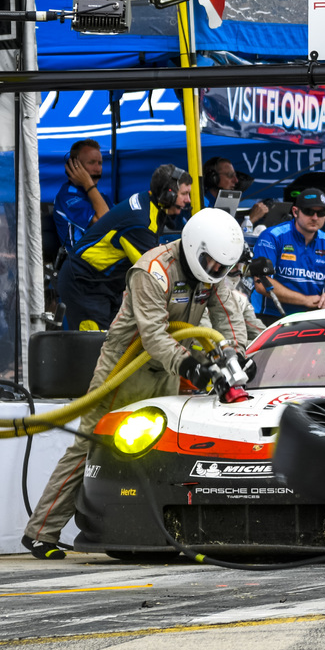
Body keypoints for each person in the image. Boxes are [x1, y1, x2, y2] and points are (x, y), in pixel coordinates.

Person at [22, 208, 248, 559]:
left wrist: (236, 355)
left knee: (162, 451)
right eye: (211, 263)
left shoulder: (213, 273)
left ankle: (153, 531)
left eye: (222, 267)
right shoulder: (152, 270)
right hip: (124, 367)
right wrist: (190, 366)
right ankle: (41, 532)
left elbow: (228, 320)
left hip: (168, 368)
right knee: (91, 446)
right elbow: (153, 334)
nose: (215, 270)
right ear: (194, 246)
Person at [57, 164, 191, 331]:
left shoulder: (151, 204)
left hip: (107, 285)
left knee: (119, 340)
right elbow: (153, 272)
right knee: (94, 344)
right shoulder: (141, 222)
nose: (188, 200)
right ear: (167, 194)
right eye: (184, 194)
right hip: (84, 284)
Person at [249, 188, 325, 323]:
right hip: (269, 316)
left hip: (308, 318)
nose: (315, 217)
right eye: (309, 211)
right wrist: (305, 300)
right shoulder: (272, 236)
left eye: (321, 213)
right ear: (295, 212)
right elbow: (261, 283)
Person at [53, 139, 114, 254]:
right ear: (74, 166)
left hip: (106, 256)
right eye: (91, 162)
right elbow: (105, 222)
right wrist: (88, 183)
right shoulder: (67, 196)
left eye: (100, 163)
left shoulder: (100, 196)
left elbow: (120, 222)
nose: (97, 169)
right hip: (81, 262)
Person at [202, 156, 269, 227]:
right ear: (213, 178)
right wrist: (251, 219)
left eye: (235, 175)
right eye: (230, 175)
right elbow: (224, 233)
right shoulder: (202, 205)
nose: (236, 180)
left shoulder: (225, 203)